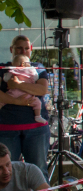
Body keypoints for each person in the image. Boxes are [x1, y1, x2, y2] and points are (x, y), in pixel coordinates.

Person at [0, 36, 50, 174]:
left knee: (39, 171)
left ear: (31, 50)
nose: (23, 51)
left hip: (36, 130)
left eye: (26, 48)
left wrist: (17, 85)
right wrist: (18, 101)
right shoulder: (3, 68)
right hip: (7, 129)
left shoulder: (38, 68)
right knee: (6, 173)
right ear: (11, 49)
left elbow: (42, 90)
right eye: (19, 48)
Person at [1, 55, 45, 123]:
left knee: (1, 102)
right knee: (38, 102)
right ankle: (38, 116)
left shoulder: (12, 70)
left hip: (12, 94)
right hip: (27, 96)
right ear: (24, 64)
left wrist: (14, 83)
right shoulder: (31, 70)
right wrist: (32, 69)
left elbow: (5, 78)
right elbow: (36, 77)